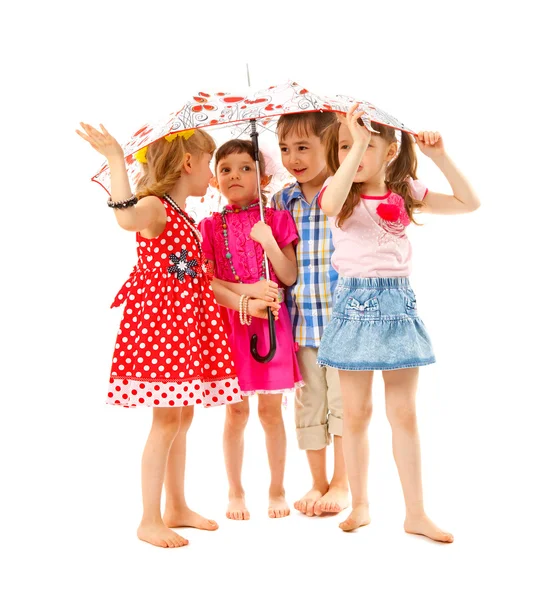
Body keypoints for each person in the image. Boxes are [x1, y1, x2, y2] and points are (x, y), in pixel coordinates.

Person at [317, 105, 481, 542]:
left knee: (404, 413)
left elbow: (470, 203)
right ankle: (362, 504)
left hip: (396, 305)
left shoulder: (404, 190)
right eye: (344, 147)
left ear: (390, 152)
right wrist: (352, 147)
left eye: (365, 146)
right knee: (355, 414)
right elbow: (331, 202)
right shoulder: (337, 190)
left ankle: (416, 512)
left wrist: (440, 158)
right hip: (353, 307)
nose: (352, 154)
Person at [199, 139, 301, 520]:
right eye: (226, 170)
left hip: (272, 325)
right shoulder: (209, 226)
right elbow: (207, 283)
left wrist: (269, 241)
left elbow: (288, 275)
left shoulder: (275, 220)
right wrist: (247, 292)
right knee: (236, 413)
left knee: (271, 413)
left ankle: (277, 489)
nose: (235, 176)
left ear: (264, 175)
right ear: (214, 180)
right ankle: (235, 491)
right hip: (231, 325)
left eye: (245, 168)